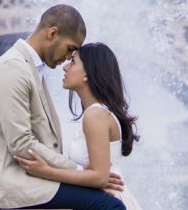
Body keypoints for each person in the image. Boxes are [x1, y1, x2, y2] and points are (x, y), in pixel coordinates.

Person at [0, 5, 126, 210]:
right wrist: (82, 173)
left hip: (28, 181)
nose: (67, 59)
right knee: (106, 205)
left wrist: (85, 176)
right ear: (52, 33)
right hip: (11, 185)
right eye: (70, 49)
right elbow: (21, 144)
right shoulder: (13, 69)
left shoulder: (29, 69)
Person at [15, 42, 143, 210]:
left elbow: (99, 178)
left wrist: (46, 172)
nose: (65, 67)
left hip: (106, 202)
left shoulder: (95, 115)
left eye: (73, 62)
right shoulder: (98, 113)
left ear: (88, 74)